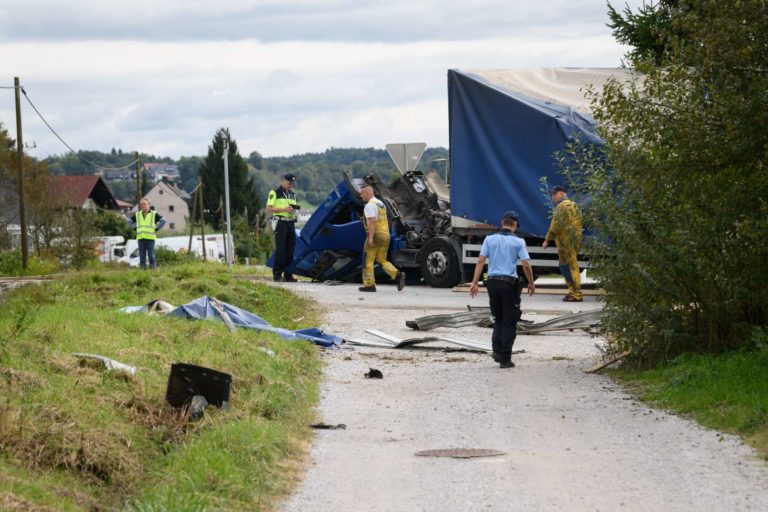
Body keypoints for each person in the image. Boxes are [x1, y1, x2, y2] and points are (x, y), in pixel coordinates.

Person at [469, 211, 535, 368]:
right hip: (508, 284)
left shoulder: (489, 239)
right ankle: (505, 359)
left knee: (498, 317)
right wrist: (531, 283)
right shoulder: (519, 241)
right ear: (514, 225)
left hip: (491, 283)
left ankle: (497, 350)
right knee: (509, 321)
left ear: (502, 222)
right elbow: (526, 264)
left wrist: (474, 282)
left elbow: (480, 260)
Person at [358, 185, 405, 292]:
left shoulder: (369, 205)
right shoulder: (380, 204)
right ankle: (397, 275)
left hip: (376, 235)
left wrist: (370, 238)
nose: (361, 196)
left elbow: (372, 222)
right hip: (386, 235)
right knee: (381, 259)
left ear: (368, 193)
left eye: (362, 193)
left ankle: (369, 285)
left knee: (367, 260)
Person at [543, 185, 583, 302]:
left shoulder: (561, 206)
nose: (553, 197)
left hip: (565, 242)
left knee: (569, 267)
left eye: (554, 195)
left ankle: (576, 294)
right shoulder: (575, 205)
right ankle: (573, 292)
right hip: (575, 240)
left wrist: (547, 240)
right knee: (569, 266)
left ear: (561, 193)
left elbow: (554, 226)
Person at [267, 173, 299, 282]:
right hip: (280, 223)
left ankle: (288, 275)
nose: (290, 185)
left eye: (292, 184)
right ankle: (277, 275)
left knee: (291, 250)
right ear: (283, 181)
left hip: (291, 223)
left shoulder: (292, 194)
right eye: (289, 183)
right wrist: (284, 210)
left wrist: (295, 212)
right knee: (281, 250)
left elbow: (293, 209)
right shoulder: (275, 192)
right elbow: (269, 209)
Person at [127, 198, 166, 269]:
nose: (142, 205)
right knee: (142, 256)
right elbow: (129, 221)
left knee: (151, 256)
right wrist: (134, 228)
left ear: (149, 205)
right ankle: (143, 272)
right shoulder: (137, 214)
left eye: (144, 204)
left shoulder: (154, 214)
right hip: (140, 238)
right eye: (141, 204)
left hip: (150, 238)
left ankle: (153, 270)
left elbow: (163, 220)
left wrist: (157, 228)